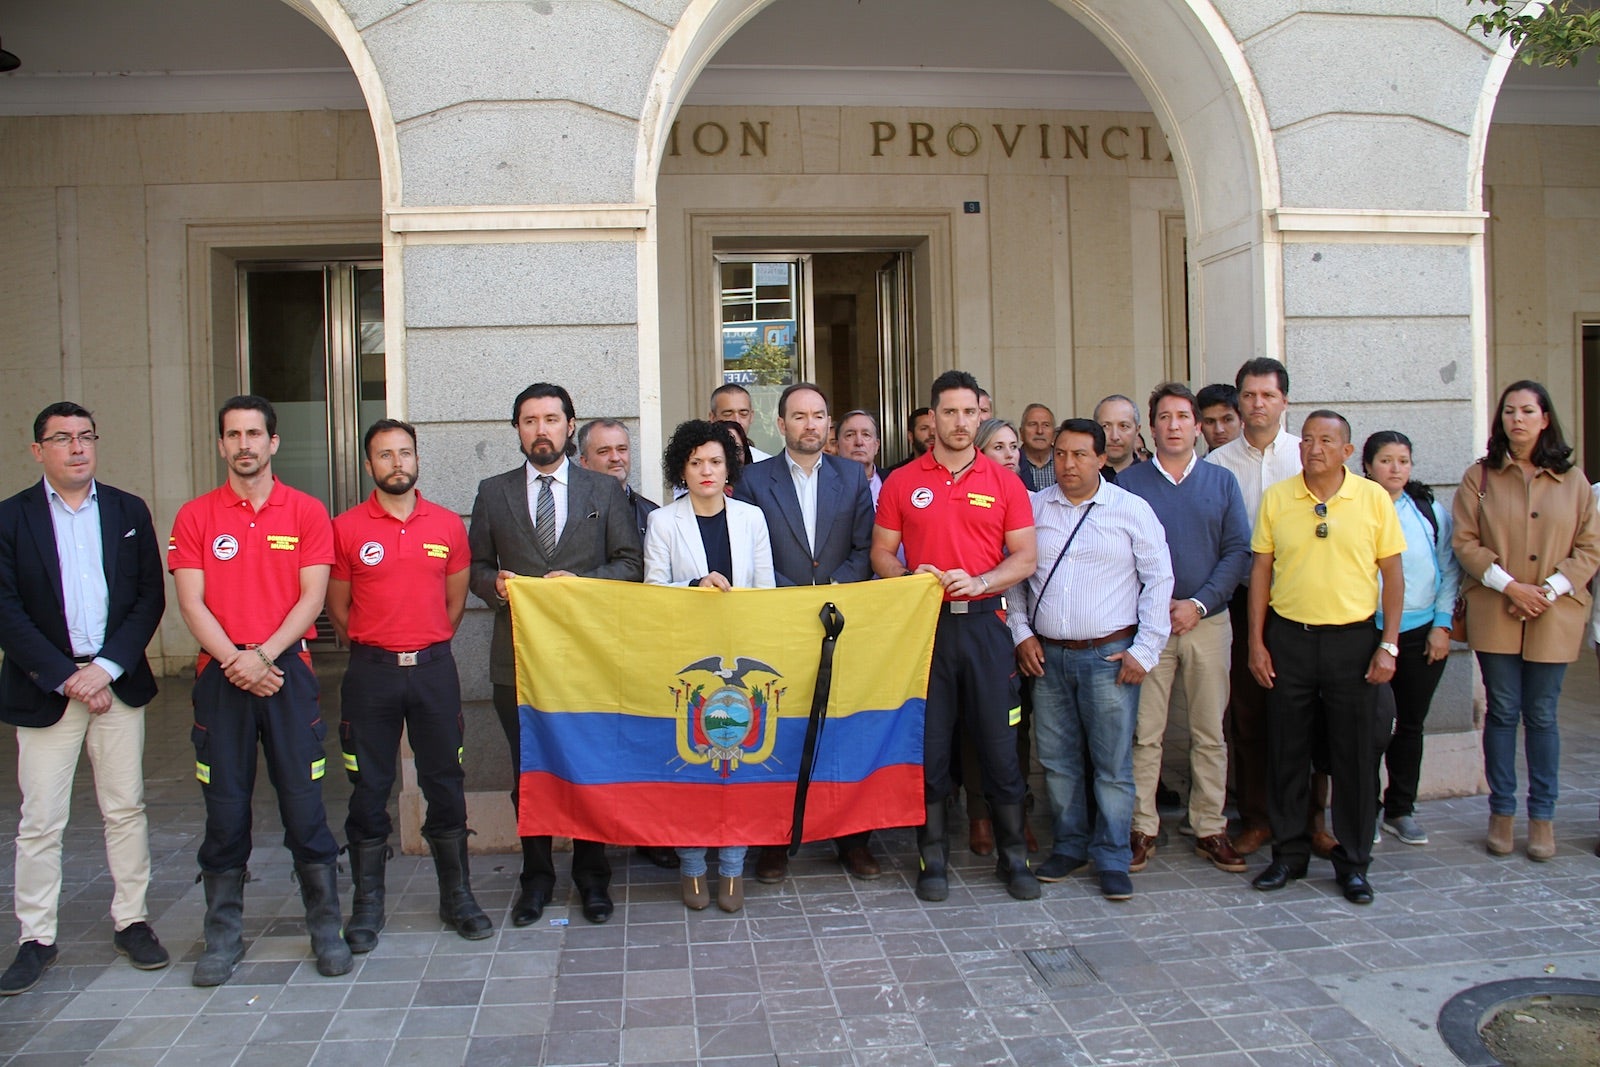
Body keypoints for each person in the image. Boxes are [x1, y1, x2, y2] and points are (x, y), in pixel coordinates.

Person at [169, 395, 351, 985]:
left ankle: (326, 927)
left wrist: (264, 656)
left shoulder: (305, 511)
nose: (244, 444)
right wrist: (236, 661)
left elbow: (313, 598)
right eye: (233, 435)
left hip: (286, 674)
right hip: (220, 677)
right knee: (225, 811)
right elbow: (190, 602)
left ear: (273, 442)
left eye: (255, 434)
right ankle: (222, 936)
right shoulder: (195, 517)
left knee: (304, 807)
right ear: (221, 445)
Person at [0, 403, 168, 995]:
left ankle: (133, 920)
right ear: (37, 450)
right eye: (62, 439)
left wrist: (105, 668)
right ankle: (36, 937)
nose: (77, 448)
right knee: (41, 819)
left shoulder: (126, 510)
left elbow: (150, 596)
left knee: (125, 808)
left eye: (86, 437)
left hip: (115, 681)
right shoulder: (10, 518)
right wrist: (65, 675)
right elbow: (6, 611)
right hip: (46, 687)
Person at [468, 383, 644, 927]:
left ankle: (594, 878)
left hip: (587, 659)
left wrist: (581, 584)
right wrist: (494, 584)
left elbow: (629, 563)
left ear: (571, 426)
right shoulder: (493, 492)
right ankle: (536, 879)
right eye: (528, 420)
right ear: (517, 430)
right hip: (517, 658)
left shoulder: (603, 490)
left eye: (550, 419)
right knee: (531, 774)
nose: (540, 430)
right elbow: (473, 568)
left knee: (588, 768)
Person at [872, 370, 1041, 902]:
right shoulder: (902, 481)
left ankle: (1015, 858)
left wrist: (983, 581)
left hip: (988, 628)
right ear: (932, 419)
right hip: (927, 633)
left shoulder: (1004, 481)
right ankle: (933, 858)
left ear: (979, 415)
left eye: (970, 412)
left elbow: (1026, 558)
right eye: (950, 412)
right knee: (931, 748)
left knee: (999, 748)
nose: (961, 422)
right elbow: (880, 553)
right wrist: (907, 579)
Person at [326, 419, 492, 953]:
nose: (396, 463)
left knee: (445, 780)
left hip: (432, 670)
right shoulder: (346, 527)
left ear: (417, 459)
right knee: (369, 787)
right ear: (369, 464)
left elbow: (454, 604)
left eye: (405, 453)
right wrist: (379, 644)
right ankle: (367, 906)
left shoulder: (446, 525)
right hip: (370, 673)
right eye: (384, 455)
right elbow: (338, 608)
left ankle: (457, 896)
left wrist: (424, 642)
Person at [1009, 419, 1173, 901]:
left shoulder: (1131, 510)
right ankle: (1070, 845)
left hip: (1109, 658)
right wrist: (1021, 635)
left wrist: (1145, 651)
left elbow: (1159, 580)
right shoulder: (1034, 507)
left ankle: (1113, 855)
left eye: (1080, 455)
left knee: (1112, 765)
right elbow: (1017, 580)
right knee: (1057, 762)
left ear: (1102, 458)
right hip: (1049, 658)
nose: (1068, 464)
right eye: (1060, 454)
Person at [1247, 410, 1405, 905]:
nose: (1314, 448)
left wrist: (1389, 644)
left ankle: (1354, 862)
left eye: (1326, 441)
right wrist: (1256, 641)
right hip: (1290, 638)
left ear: (1346, 451)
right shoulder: (1278, 498)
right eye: (1308, 439)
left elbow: (1393, 577)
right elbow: (1261, 573)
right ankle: (1288, 855)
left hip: (1353, 643)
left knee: (1355, 756)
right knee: (1287, 750)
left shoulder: (1373, 498)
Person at [734, 384, 881, 883]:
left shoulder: (851, 476)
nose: (811, 425)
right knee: (781, 729)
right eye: (800, 416)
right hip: (779, 621)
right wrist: (794, 596)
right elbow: (752, 552)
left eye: (819, 415)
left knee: (843, 729)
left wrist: (837, 588)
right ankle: (776, 842)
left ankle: (851, 839)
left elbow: (865, 547)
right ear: (781, 425)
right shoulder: (754, 480)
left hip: (841, 623)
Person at [1452, 380, 1599, 862]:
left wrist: (1549, 590)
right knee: (1503, 710)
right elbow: (1465, 542)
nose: (1518, 419)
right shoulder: (1482, 477)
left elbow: (1589, 546)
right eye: (1510, 411)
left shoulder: (1574, 481)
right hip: (1497, 608)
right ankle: (1502, 812)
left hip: (1555, 614)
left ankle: (1543, 818)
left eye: (1528, 410)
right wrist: (1510, 586)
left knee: (1542, 715)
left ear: (1545, 418)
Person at [1119, 384, 1252, 874]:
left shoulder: (1221, 483)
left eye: (1182, 416)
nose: (1173, 425)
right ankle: (1142, 826)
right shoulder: (1129, 484)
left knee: (1209, 731)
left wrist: (1198, 603)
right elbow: (1120, 556)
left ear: (1197, 426)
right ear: (1150, 429)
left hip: (1207, 622)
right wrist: (1157, 610)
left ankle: (1210, 826)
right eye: (1163, 417)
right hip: (1149, 629)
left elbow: (1237, 551)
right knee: (1145, 733)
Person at [645, 420, 775, 912]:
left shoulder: (751, 519)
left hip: (745, 660)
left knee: (739, 764)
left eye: (715, 461)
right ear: (682, 467)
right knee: (692, 764)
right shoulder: (664, 522)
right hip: (688, 664)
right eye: (696, 461)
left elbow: (766, 591)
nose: (706, 470)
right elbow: (653, 593)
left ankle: (734, 864)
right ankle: (693, 865)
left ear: (730, 468)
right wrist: (695, 585)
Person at [1204, 357, 1302, 857]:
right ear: (1239, 402)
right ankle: (1257, 816)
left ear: (1284, 401)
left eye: (1268, 395)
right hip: (1241, 601)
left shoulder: (1308, 458)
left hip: (1302, 603)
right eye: (1249, 395)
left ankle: (1309, 820)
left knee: (1305, 713)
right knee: (1247, 713)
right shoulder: (1218, 467)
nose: (1258, 404)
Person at [576, 418, 679, 870]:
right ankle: (593, 851)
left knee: (648, 746)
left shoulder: (652, 513)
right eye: (604, 451)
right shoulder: (572, 512)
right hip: (589, 650)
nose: (616, 458)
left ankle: (650, 835)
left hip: (643, 649)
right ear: (582, 460)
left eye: (622, 449)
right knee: (595, 751)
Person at [1361, 431, 1460, 847]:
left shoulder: (1428, 510)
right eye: (1386, 460)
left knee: (1410, 726)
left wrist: (1442, 625)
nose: (1395, 468)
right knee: (1367, 726)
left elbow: (1449, 567)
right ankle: (1365, 809)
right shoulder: (1357, 506)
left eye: (1403, 460)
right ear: (1367, 466)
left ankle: (1400, 808)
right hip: (1368, 632)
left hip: (1421, 633)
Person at [963, 416, 1034, 855]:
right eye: (998, 448)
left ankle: (1017, 811)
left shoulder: (1034, 501)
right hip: (985, 623)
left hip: (1026, 630)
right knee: (975, 727)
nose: (1009, 456)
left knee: (1015, 729)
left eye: (1014, 447)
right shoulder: (969, 498)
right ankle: (978, 815)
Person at [709, 383, 772, 462]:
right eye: (728, 414)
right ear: (712, 418)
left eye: (743, 414)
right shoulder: (698, 462)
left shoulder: (766, 464)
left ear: (751, 416)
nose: (737, 421)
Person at [836, 409, 884, 507]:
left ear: (876, 446)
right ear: (837, 446)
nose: (859, 442)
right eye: (850, 435)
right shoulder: (824, 485)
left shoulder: (893, 481)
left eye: (866, 435)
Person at [1094, 395, 1143, 476]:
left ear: (1137, 430)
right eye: (1106, 426)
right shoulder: (1084, 481)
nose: (1115, 437)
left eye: (1124, 426)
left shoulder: (1153, 478)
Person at [1018, 404, 1057, 492]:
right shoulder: (1011, 462)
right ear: (1021, 433)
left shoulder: (1064, 462)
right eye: (1032, 424)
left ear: (1054, 434)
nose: (1040, 431)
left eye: (1046, 425)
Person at [884, 407, 935, 475]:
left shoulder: (951, 469)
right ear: (910, 436)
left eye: (936, 429)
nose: (932, 433)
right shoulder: (895, 474)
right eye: (924, 429)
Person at [1196, 384, 1242, 453]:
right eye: (1210, 422)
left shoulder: (1260, 462)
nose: (1219, 430)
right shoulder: (1196, 464)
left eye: (1227, 420)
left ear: (1242, 420)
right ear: (1199, 426)